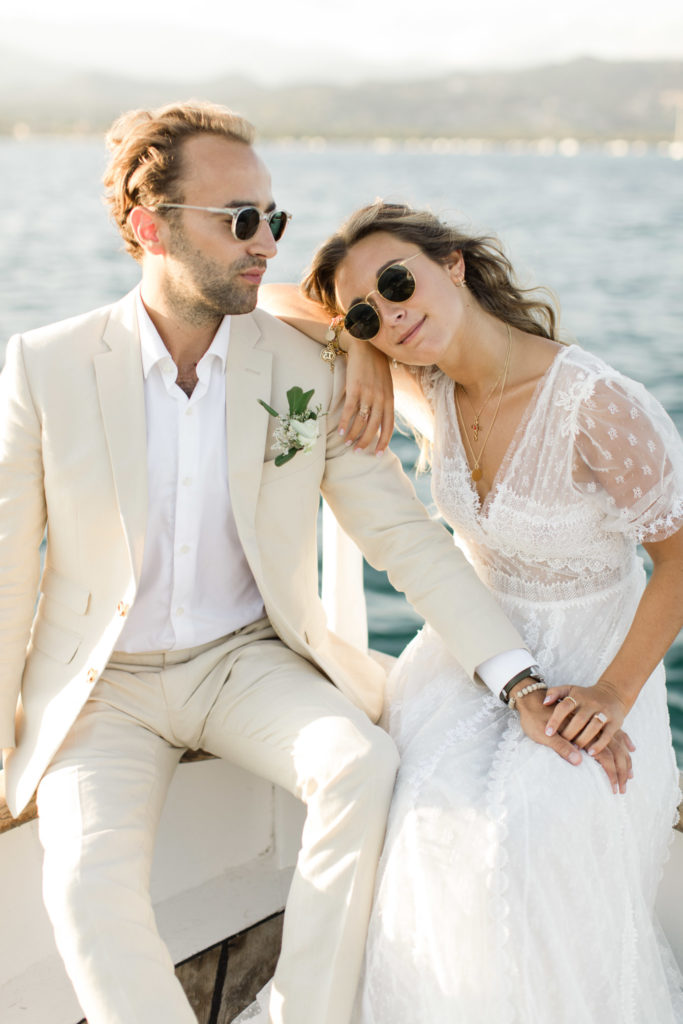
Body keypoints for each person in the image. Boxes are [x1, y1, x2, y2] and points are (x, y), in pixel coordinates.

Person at [0, 103, 584, 1024]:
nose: (267, 243)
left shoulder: (304, 367)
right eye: (240, 220)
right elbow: (6, 580)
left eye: (272, 217)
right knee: (82, 883)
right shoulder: (44, 366)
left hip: (246, 661)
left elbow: (404, 538)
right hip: (101, 688)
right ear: (150, 227)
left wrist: (513, 678)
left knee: (358, 763)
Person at [259, 200, 683, 1022]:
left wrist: (611, 696)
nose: (390, 310)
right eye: (365, 309)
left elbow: (678, 558)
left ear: (452, 263)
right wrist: (362, 350)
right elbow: (271, 300)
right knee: (417, 816)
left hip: (593, 661)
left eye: (397, 281)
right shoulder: (426, 385)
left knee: (526, 833)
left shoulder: (594, 403)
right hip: (468, 650)